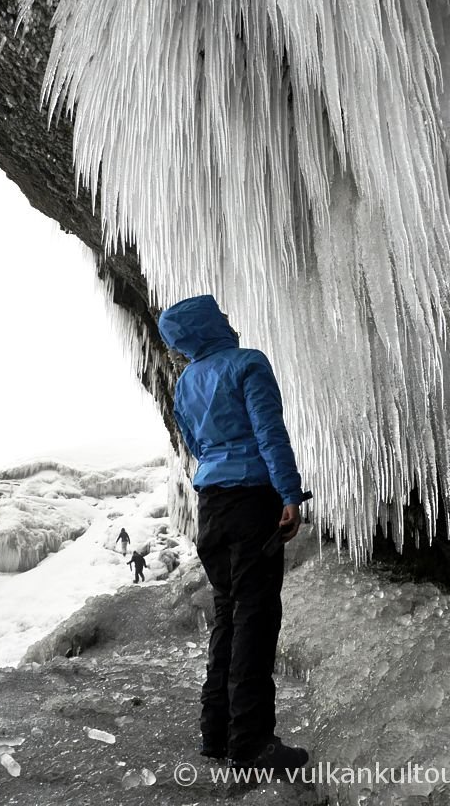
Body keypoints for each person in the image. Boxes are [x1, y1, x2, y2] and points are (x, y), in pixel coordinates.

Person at [158, 294, 309, 771]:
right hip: (250, 502)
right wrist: (289, 494)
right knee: (256, 618)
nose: (227, 320)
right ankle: (253, 741)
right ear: (208, 325)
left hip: (212, 507)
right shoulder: (247, 364)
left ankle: (217, 731)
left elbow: (196, 443)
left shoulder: (186, 384)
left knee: (228, 614)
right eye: (219, 315)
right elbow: (269, 433)